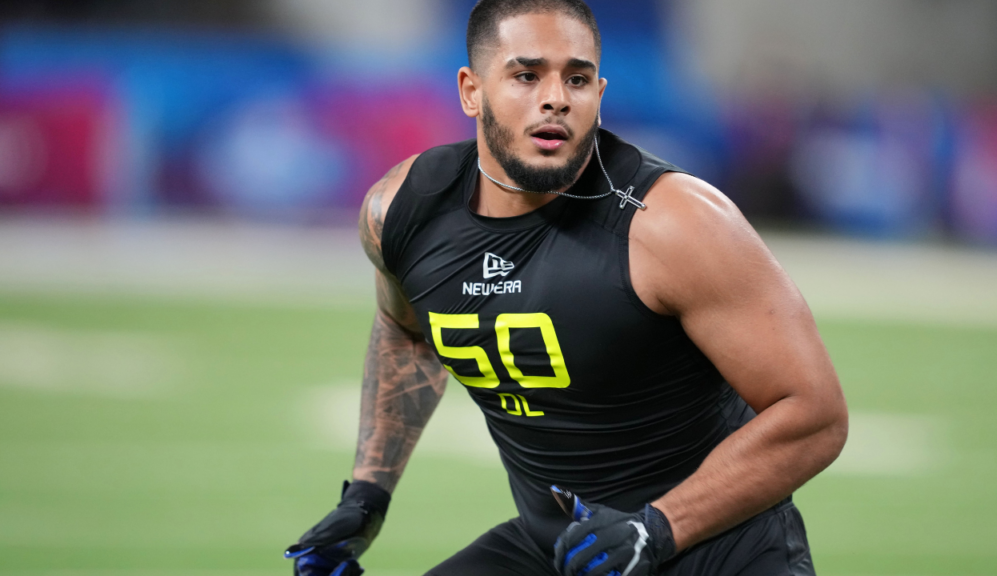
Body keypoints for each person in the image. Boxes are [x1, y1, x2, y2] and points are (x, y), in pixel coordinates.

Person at [285, 1, 848, 575]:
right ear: (471, 90)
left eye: (576, 79)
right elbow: (407, 334)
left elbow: (815, 414)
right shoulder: (403, 210)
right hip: (559, 545)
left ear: (598, 94)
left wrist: (658, 527)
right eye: (527, 75)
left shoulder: (672, 223)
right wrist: (368, 494)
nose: (556, 97)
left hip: (716, 547)